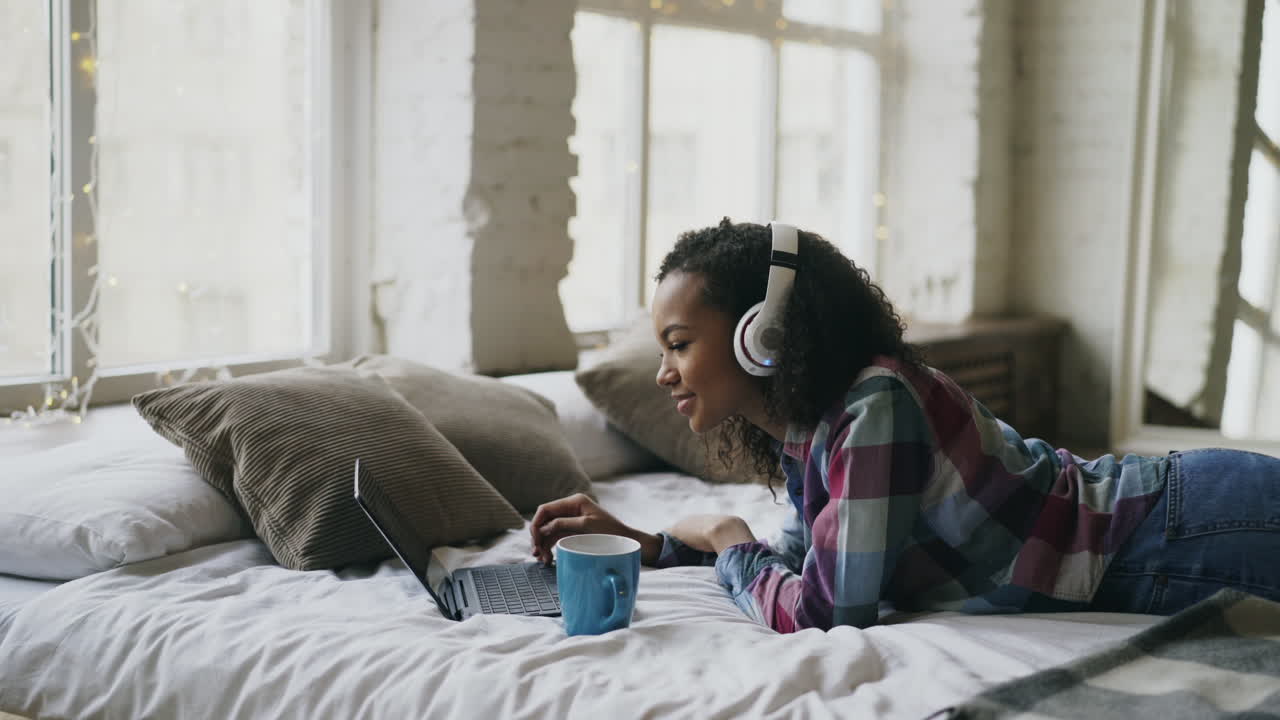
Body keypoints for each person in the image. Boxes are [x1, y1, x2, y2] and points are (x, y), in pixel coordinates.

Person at [529, 218, 1280, 633]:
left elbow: (826, 611)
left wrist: (727, 536)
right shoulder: (812, 432)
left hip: (1180, 526)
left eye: (679, 345)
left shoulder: (871, 407)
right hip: (1169, 533)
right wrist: (651, 544)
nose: (664, 374)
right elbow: (798, 565)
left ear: (761, 332)